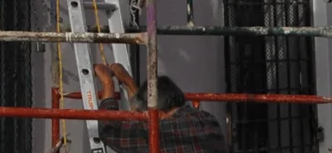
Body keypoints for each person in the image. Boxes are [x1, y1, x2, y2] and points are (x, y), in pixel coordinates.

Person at [92, 64, 230, 153]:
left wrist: (107, 83)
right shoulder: (207, 118)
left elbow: (109, 130)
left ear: (157, 113)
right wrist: (129, 83)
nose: (144, 116)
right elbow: (146, 118)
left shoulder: (159, 132)